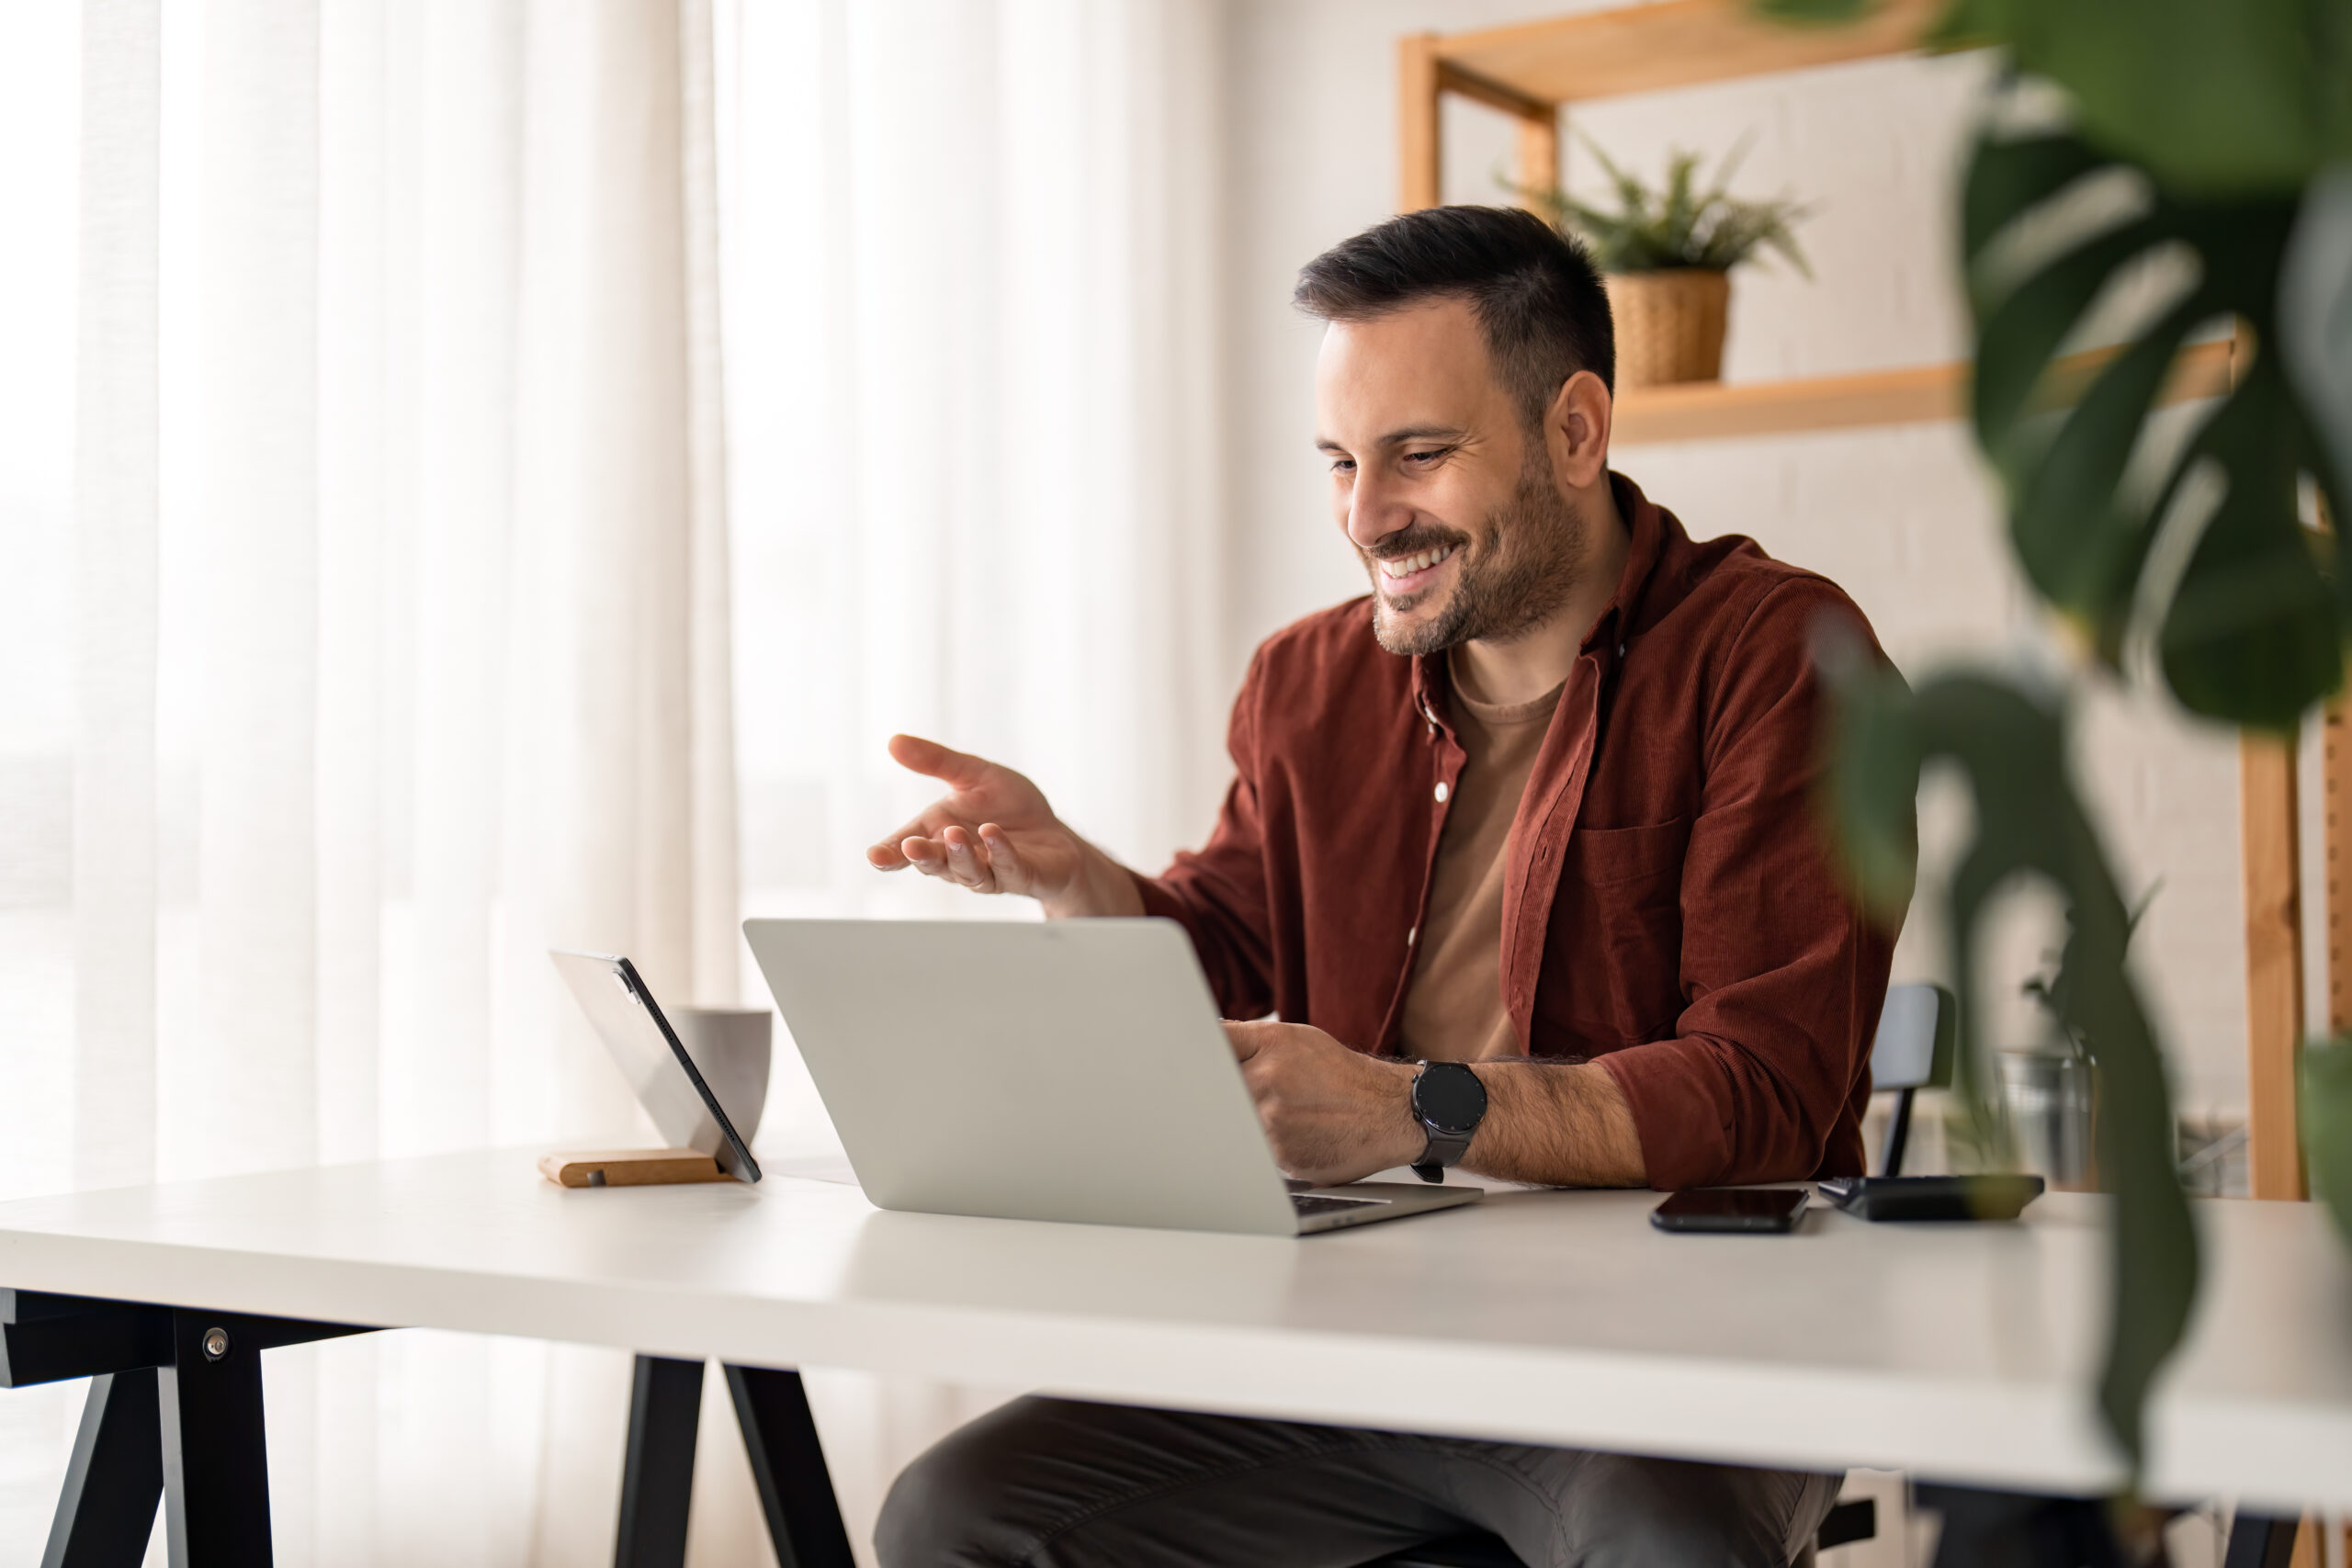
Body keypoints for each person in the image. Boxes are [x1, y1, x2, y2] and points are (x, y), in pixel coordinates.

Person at [862, 205, 1899, 1568]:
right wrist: (1083, 884)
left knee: (1667, 1544)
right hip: (1355, 1339)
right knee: (955, 1517)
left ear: (1576, 433)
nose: (1364, 516)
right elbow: (1228, 954)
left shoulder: (1779, 656)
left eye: (1419, 454)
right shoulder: (1304, 683)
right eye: (1341, 462)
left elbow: (1764, 1093)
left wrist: (1413, 1107)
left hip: (1683, 1356)